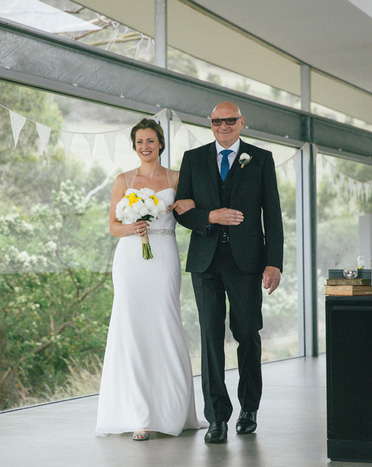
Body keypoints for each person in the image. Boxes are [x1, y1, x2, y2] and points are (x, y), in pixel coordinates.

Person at [173, 101, 284, 444]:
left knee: (247, 334)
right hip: (205, 262)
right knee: (209, 338)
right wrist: (209, 216)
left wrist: (273, 262)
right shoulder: (193, 158)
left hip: (248, 262)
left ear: (241, 122)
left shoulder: (260, 158)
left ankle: (249, 408)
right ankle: (217, 418)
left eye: (230, 120)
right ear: (210, 124)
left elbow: (273, 214)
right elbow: (181, 210)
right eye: (217, 121)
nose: (224, 125)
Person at [96, 118, 203, 441]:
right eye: (140, 142)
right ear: (135, 146)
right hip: (131, 259)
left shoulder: (178, 177)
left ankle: (173, 411)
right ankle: (137, 414)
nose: (145, 147)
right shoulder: (123, 180)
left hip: (164, 255)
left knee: (164, 325)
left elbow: (193, 209)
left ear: (160, 144)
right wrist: (132, 228)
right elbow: (113, 225)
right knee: (131, 330)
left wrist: (191, 204)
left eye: (151, 141)